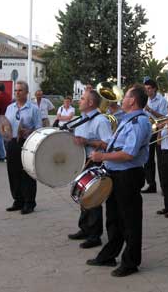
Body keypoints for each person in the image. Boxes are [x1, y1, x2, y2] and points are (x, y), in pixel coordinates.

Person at [85, 84, 151, 277]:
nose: (122, 99)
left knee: (129, 220)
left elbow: (129, 154)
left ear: (133, 100)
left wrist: (102, 157)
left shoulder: (139, 122)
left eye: (126, 96)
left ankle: (131, 262)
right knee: (113, 217)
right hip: (116, 174)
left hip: (128, 175)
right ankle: (109, 255)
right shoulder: (127, 119)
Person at [68, 90, 113, 249]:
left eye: (82, 99)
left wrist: (87, 142)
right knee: (83, 197)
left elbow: (108, 145)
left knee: (93, 199)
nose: (79, 101)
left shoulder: (100, 121)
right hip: (82, 162)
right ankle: (85, 229)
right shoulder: (81, 120)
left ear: (91, 103)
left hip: (95, 163)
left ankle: (95, 236)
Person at [5, 81, 42, 215]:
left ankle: (29, 202)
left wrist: (28, 131)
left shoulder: (34, 109)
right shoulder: (10, 108)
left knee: (27, 173)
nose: (17, 93)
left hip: (27, 143)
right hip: (12, 142)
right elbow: (5, 124)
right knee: (13, 172)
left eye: (20, 90)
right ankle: (17, 200)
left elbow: (39, 129)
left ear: (26, 93)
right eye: (16, 90)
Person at [142, 78, 168, 194]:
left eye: (149, 89)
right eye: (145, 89)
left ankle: (164, 187)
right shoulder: (145, 99)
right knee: (148, 160)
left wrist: (150, 110)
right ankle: (151, 184)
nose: (147, 91)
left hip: (158, 130)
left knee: (161, 160)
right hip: (148, 130)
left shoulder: (161, 100)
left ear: (154, 89)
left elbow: (163, 117)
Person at [0, 83, 11, 161]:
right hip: (7, 118)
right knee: (6, 137)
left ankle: (1, 155)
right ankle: (8, 154)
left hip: (0, 118)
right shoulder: (8, 96)